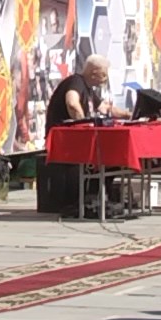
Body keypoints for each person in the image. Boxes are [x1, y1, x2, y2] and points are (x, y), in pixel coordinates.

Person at [38, 54, 119, 216]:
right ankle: (79, 202)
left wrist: (128, 115)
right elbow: (72, 102)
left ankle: (96, 198)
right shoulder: (76, 82)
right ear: (93, 72)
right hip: (65, 141)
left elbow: (105, 108)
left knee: (112, 158)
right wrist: (83, 123)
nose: (105, 79)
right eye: (103, 74)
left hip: (78, 140)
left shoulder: (88, 88)